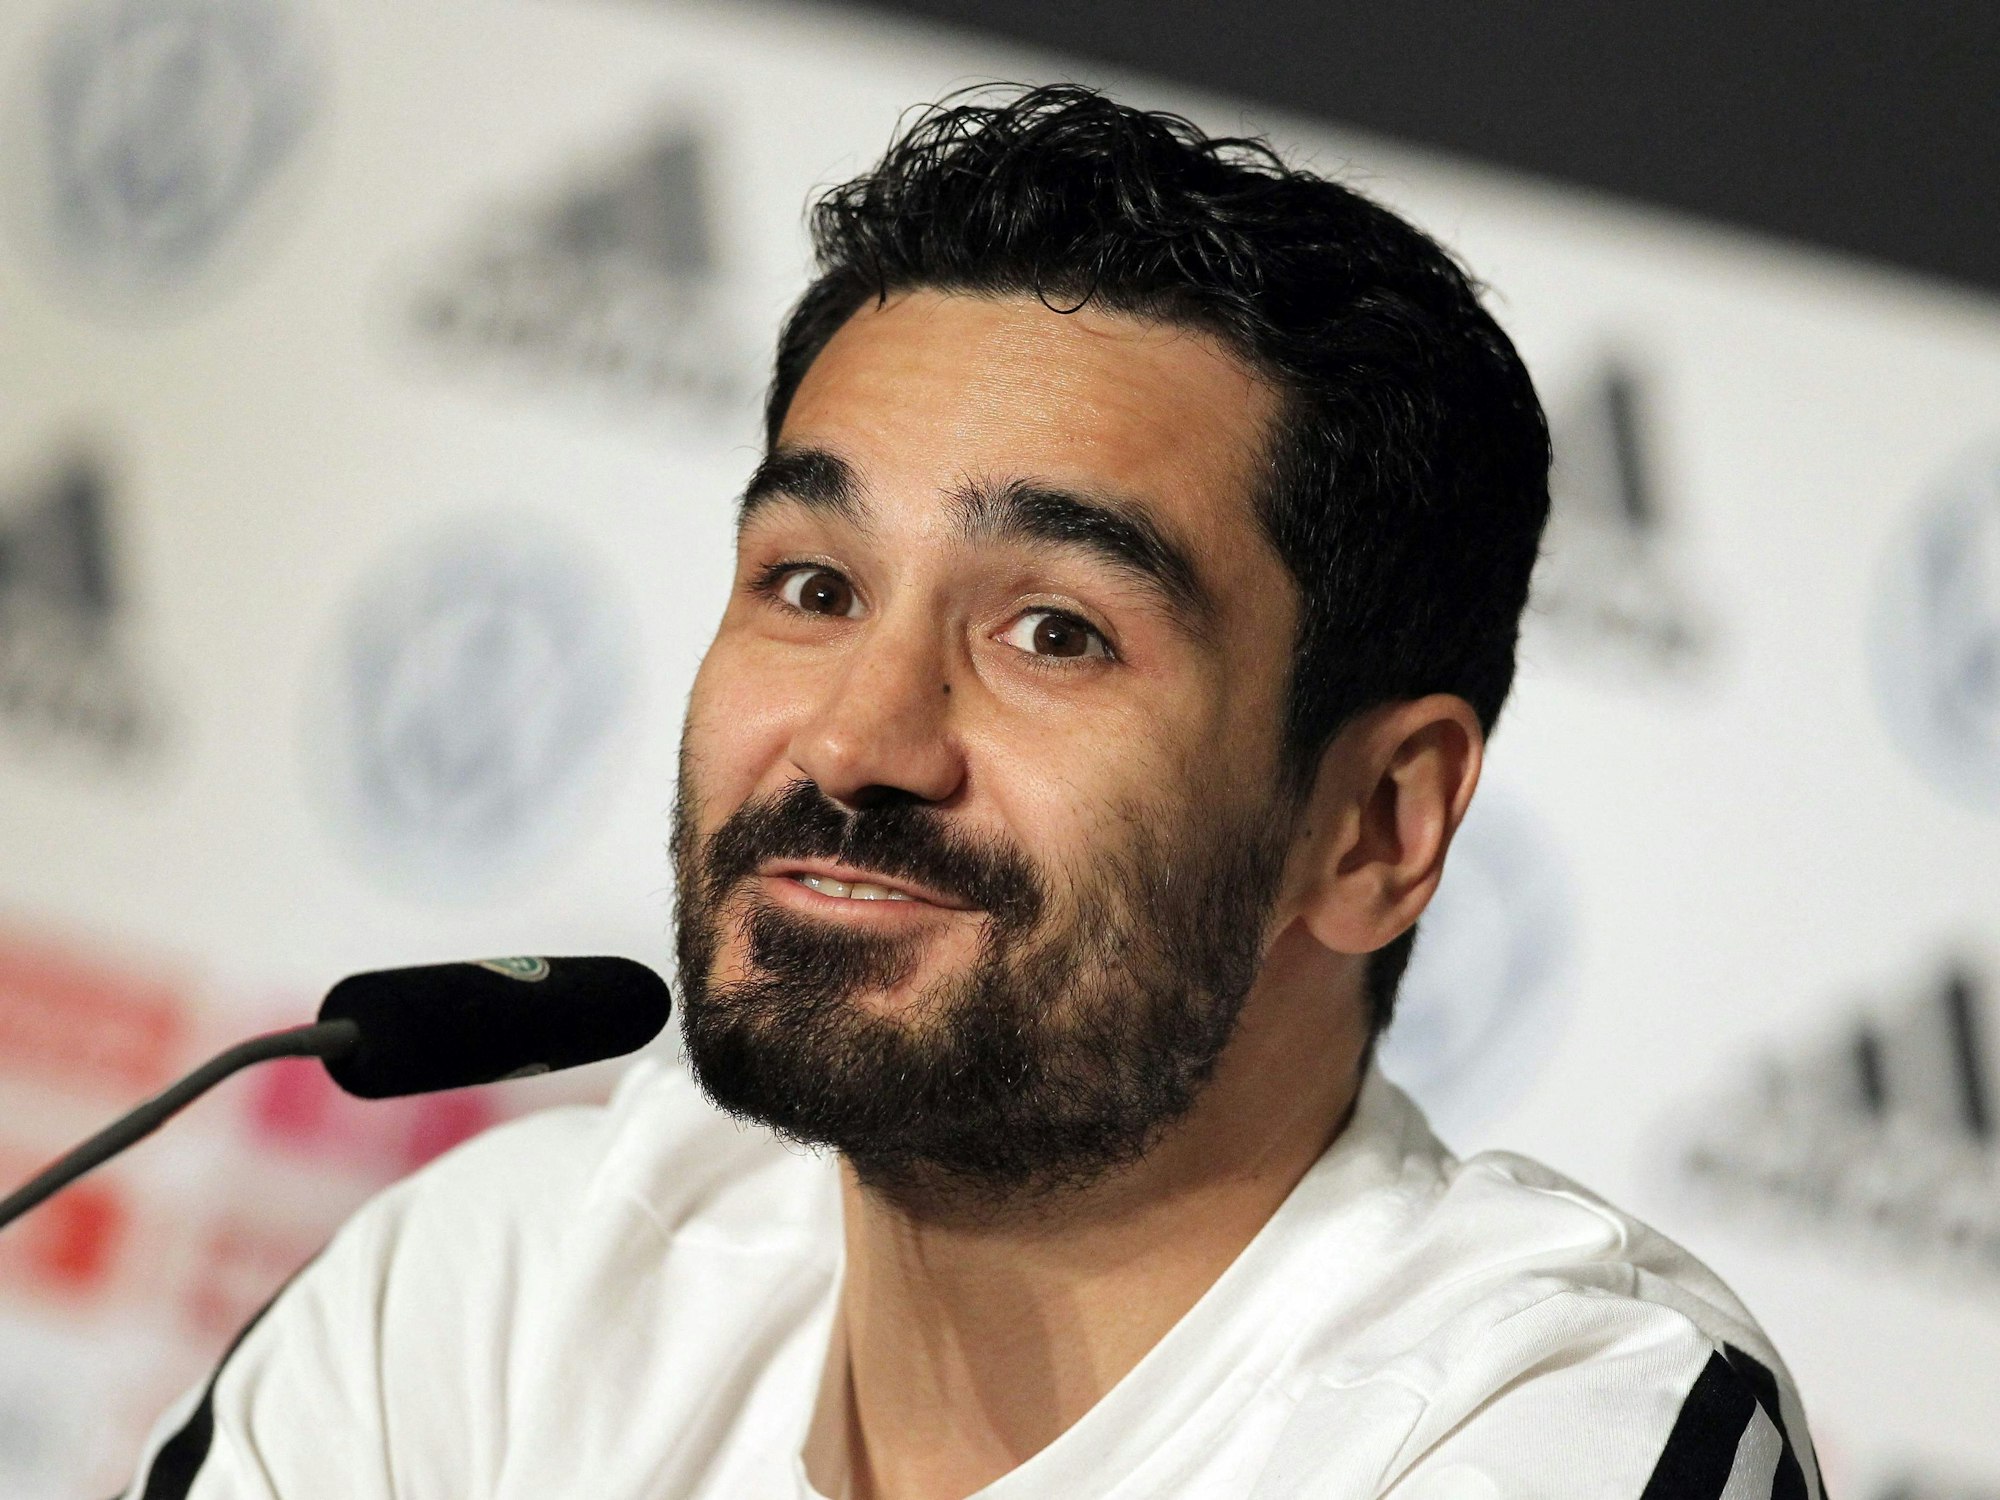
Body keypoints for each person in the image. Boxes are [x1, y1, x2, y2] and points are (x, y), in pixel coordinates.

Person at [121, 85, 1820, 1499]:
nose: (858, 743)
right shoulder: (499, 1295)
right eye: (812, 586)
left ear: (1377, 823)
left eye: (1056, 631)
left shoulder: (1544, 1422)